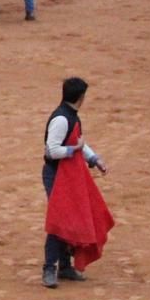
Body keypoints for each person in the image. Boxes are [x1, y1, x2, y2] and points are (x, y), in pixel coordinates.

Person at [41, 76, 108, 288]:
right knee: (60, 220)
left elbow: (79, 142)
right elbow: (52, 151)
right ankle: (50, 268)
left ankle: (64, 266)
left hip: (67, 174)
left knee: (69, 219)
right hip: (57, 174)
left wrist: (94, 159)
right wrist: (75, 150)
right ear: (81, 97)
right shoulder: (62, 119)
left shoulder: (70, 116)